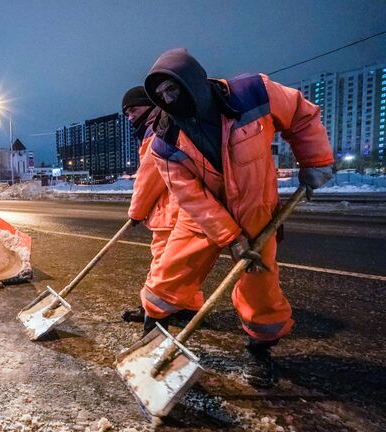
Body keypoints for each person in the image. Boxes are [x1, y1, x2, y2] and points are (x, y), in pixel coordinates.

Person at [143, 48, 334, 388]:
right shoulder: (165, 138)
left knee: (260, 289)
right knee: (168, 277)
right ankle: (150, 339)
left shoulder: (252, 93)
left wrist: (316, 161)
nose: (169, 100)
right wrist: (230, 238)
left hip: (256, 209)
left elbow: (302, 116)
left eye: (173, 89)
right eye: (161, 96)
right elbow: (191, 196)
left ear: (194, 82)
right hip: (202, 217)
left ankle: (259, 352)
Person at [119, 87, 196, 327]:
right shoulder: (165, 126)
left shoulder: (156, 132)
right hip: (178, 206)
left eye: (133, 110)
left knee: (163, 262)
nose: (130, 117)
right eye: (127, 113)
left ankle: (153, 311)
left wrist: (136, 213)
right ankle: (188, 305)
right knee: (181, 265)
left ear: (150, 106)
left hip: (172, 209)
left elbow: (149, 178)